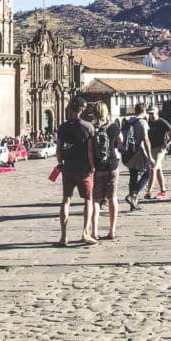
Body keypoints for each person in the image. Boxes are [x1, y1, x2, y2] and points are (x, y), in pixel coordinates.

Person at [56, 97, 97, 246]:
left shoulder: (63, 127)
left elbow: (58, 149)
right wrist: (92, 167)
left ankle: (63, 236)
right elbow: (90, 151)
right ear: (83, 109)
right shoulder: (89, 127)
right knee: (88, 200)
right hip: (84, 169)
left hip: (68, 168)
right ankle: (85, 233)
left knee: (66, 200)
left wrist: (60, 163)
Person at [88, 101, 121, 240]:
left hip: (98, 167)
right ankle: (112, 231)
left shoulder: (92, 129)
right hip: (112, 165)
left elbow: (90, 151)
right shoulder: (113, 127)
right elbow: (121, 140)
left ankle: (94, 231)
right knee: (112, 197)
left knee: (96, 199)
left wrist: (92, 166)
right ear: (106, 112)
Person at [122, 103, 153, 210]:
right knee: (148, 173)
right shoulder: (142, 122)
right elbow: (146, 140)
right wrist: (150, 156)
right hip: (138, 152)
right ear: (144, 111)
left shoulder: (129, 121)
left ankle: (133, 203)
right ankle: (133, 195)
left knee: (133, 176)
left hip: (127, 153)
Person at [144, 106, 171, 200]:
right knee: (158, 170)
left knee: (153, 168)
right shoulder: (147, 122)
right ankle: (163, 191)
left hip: (160, 149)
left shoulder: (161, 122)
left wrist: (167, 144)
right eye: (149, 114)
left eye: (152, 113)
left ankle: (149, 191)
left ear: (156, 113)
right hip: (151, 149)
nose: (151, 115)